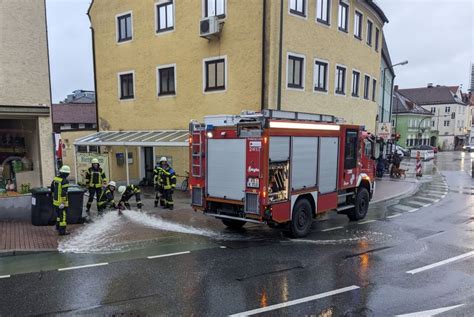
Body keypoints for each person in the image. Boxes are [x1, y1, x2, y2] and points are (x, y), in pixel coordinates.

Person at [51, 165, 71, 236]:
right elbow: (64, 193)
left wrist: (54, 197)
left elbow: (52, 188)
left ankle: (57, 227)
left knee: (58, 216)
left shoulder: (56, 178)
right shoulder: (65, 181)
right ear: (66, 173)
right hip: (61, 203)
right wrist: (62, 202)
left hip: (55, 201)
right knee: (63, 217)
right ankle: (62, 231)